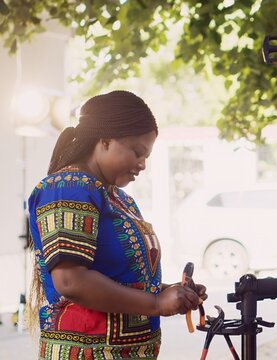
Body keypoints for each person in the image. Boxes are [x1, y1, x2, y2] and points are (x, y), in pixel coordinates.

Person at [26, 90, 207, 359]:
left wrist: (170, 292)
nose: (143, 164)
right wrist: (155, 303)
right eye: (137, 151)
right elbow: (70, 280)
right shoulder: (67, 188)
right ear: (105, 140)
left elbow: (117, 278)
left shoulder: (118, 198)